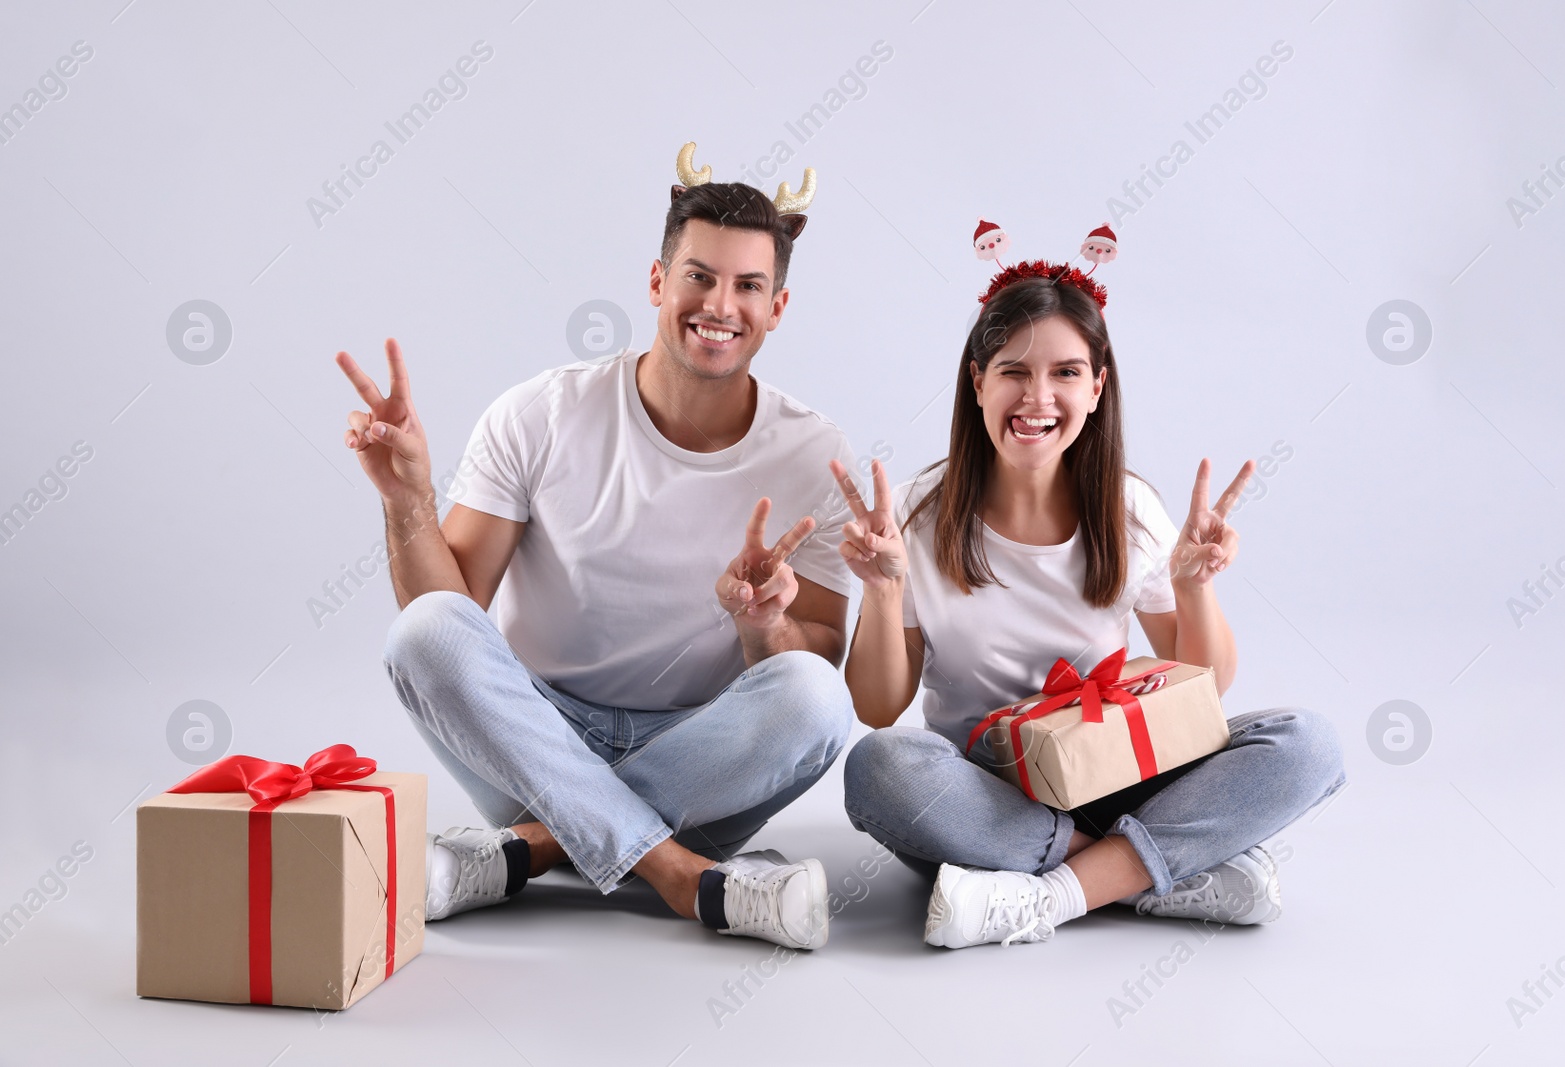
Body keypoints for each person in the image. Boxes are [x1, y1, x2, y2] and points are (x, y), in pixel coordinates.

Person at [334, 144, 855, 950]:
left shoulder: (813, 454)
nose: (721, 303)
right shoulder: (540, 412)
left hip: (700, 756)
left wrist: (765, 627)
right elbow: (453, 608)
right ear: (656, 283)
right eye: (699, 275)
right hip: (535, 740)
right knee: (421, 632)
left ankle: (532, 849)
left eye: (748, 285)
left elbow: (813, 660)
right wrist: (409, 503)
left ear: (777, 306)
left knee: (819, 699)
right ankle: (683, 877)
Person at [831, 241, 1346, 949]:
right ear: (978, 382)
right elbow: (878, 706)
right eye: (1014, 371)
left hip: (1116, 770)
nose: (1038, 398)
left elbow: (1207, 686)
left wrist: (1193, 589)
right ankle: (1154, 869)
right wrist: (883, 591)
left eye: (1065, 373)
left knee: (1309, 742)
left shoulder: (1128, 510)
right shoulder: (923, 512)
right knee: (878, 768)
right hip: (988, 793)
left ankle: (1046, 896)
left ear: (1097, 388)